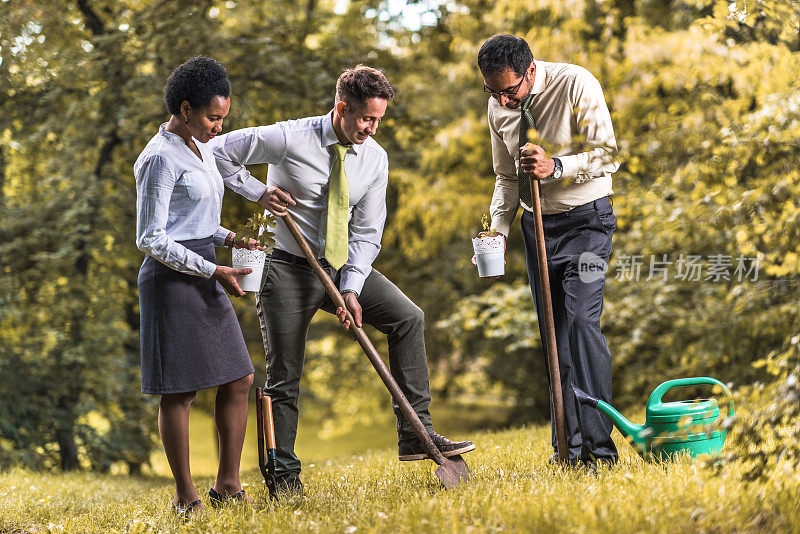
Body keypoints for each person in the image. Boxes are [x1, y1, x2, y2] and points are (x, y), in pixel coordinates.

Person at [213, 65, 475, 495]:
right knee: (285, 374)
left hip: (342, 266)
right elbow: (218, 152)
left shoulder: (375, 159)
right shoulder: (289, 137)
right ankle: (283, 475)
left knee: (407, 317)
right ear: (341, 108)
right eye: (365, 119)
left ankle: (416, 433)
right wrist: (257, 191)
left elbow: (369, 232)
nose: (371, 129)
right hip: (288, 268)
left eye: (378, 121)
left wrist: (351, 287)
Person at [135, 56, 271, 517]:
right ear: (187, 108)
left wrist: (232, 238)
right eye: (214, 117)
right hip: (171, 280)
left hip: (208, 269)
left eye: (223, 119)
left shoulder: (202, 148)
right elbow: (152, 238)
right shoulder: (158, 158)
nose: (219, 127)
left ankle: (228, 485)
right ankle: (185, 496)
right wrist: (214, 271)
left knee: (240, 377)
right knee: (180, 391)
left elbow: (198, 222)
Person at [476, 34, 620, 468]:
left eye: (510, 90)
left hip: (589, 223)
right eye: (493, 91)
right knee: (554, 337)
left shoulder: (576, 84)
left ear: (530, 70)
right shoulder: (498, 106)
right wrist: (497, 229)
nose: (503, 99)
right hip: (536, 227)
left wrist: (557, 166)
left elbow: (607, 155)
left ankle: (600, 450)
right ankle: (569, 453)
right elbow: (505, 177)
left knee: (581, 321)